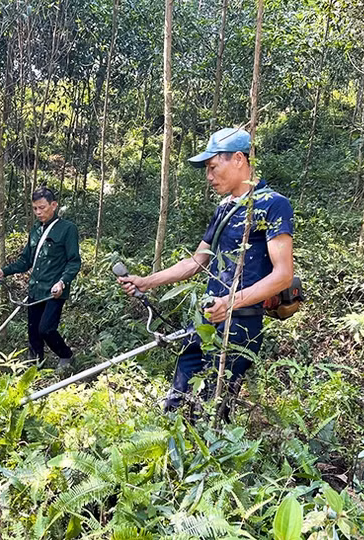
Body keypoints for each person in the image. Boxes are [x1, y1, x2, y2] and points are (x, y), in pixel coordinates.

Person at [117, 127, 294, 420]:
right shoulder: (224, 208)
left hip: (239, 325)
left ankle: (209, 461)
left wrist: (231, 303)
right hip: (204, 320)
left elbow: (283, 275)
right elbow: (197, 261)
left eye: (213, 167)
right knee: (176, 401)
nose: (209, 177)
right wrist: (147, 281)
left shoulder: (272, 204)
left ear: (238, 159)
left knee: (213, 410)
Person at [0, 187, 81, 370]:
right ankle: (34, 365)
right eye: (35, 208)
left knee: (46, 328)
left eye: (42, 207)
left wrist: (62, 282)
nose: (38, 212)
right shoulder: (36, 230)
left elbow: (74, 262)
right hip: (35, 289)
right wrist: (3, 271)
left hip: (54, 291)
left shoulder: (67, 229)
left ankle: (66, 356)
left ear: (53, 205)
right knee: (33, 331)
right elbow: (25, 261)